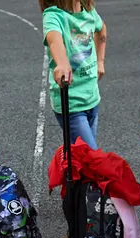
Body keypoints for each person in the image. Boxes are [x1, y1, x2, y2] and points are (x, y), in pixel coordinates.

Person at [40, 0, 107, 150]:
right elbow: (54, 39)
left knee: (83, 158)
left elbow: (101, 30)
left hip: (92, 97)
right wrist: (62, 62)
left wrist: (100, 61)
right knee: (92, 158)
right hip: (71, 104)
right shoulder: (54, 15)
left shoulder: (88, 11)